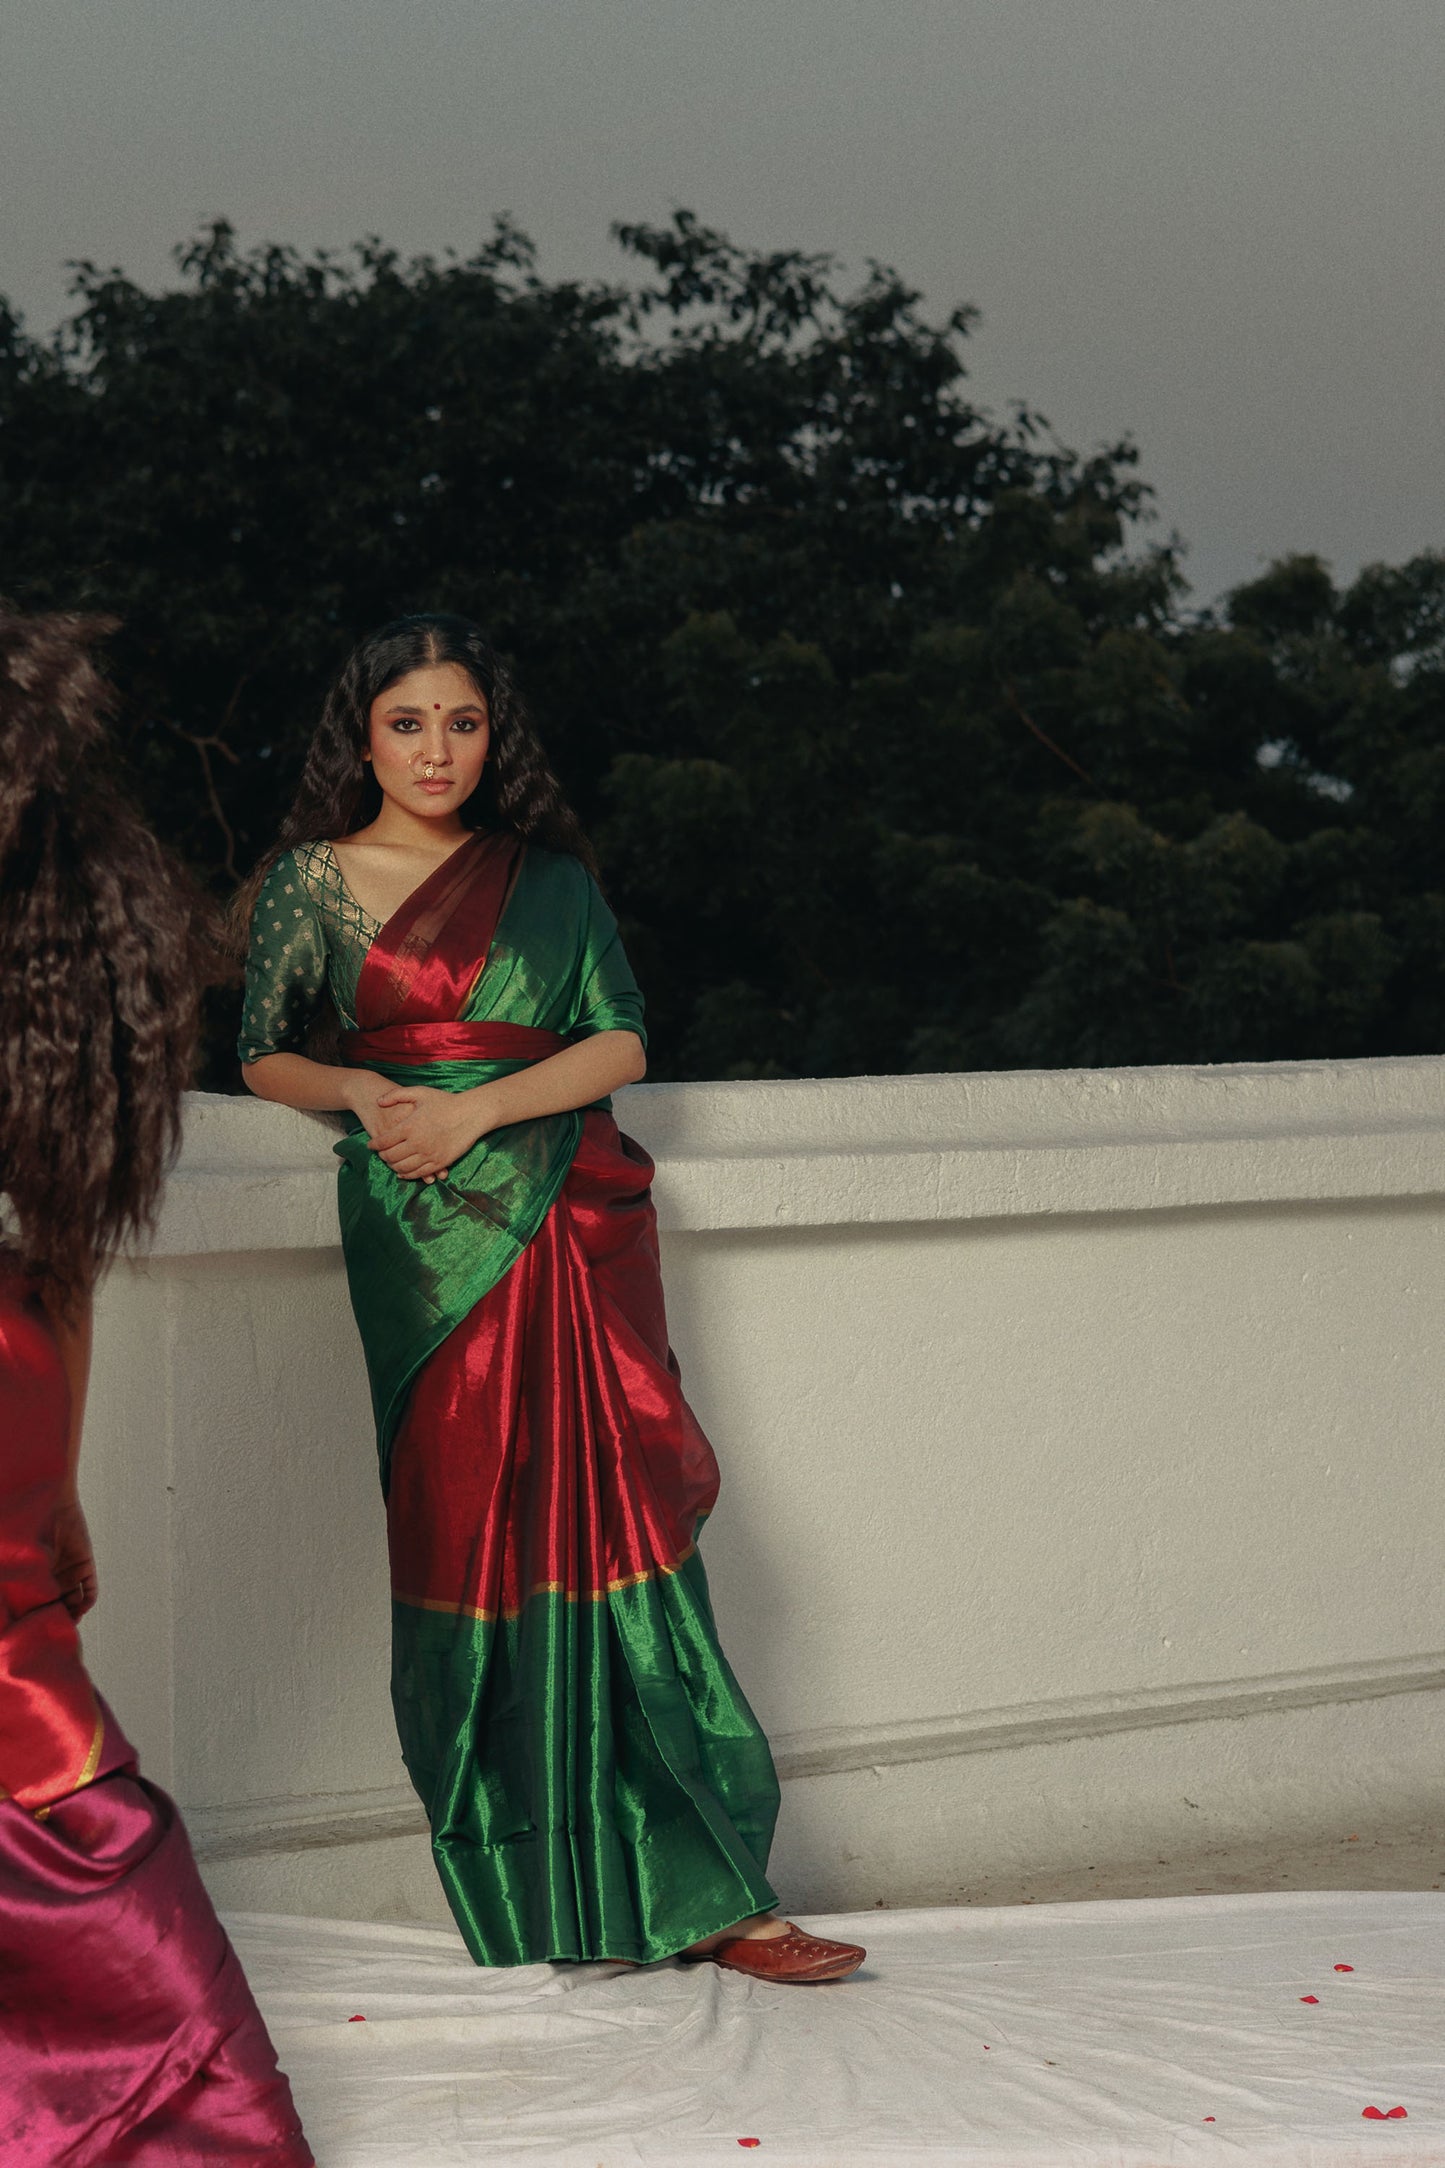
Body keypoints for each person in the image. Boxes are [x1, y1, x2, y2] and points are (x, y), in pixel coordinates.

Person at [238, 613, 864, 1982]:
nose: (436, 749)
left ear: (493, 736)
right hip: (417, 1233)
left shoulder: (551, 883)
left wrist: (482, 1116)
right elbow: (266, 1055)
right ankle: (527, 1894)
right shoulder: (313, 882)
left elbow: (624, 1035)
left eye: (461, 723)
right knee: (465, 1533)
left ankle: (719, 1895)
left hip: (564, 1212)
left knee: (621, 1522)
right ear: (362, 738)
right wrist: (359, 1090)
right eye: (407, 724)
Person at [0, 607, 313, 2163]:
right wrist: (55, 1489)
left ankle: (150, 2089)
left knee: (28, 1717)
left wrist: (54, 1492)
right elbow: (56, 1266)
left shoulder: (51, 937)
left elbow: (55, 1258)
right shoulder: (58, 948)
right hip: (13, 1371)